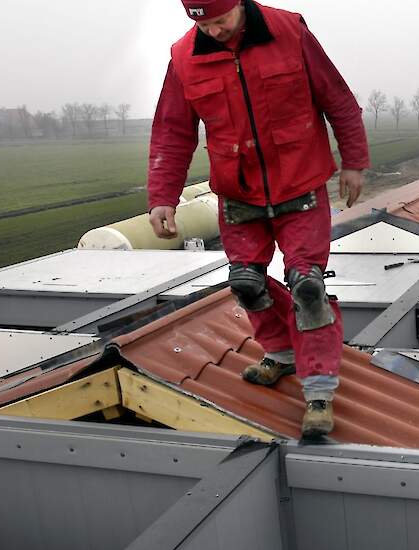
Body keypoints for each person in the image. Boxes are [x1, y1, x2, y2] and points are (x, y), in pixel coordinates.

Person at [147, 0, 369, 438]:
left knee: (307, 287)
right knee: (247, 284)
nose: (214, 31)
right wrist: (162, 197)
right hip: (238, 193)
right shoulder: (183, 57)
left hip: (300, 184)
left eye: (221, 20)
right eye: (203, 25)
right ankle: (282, 353)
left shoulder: (289, 31)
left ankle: (319, 388)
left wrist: (354, 161)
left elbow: (337, 98)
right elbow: (172, 130)